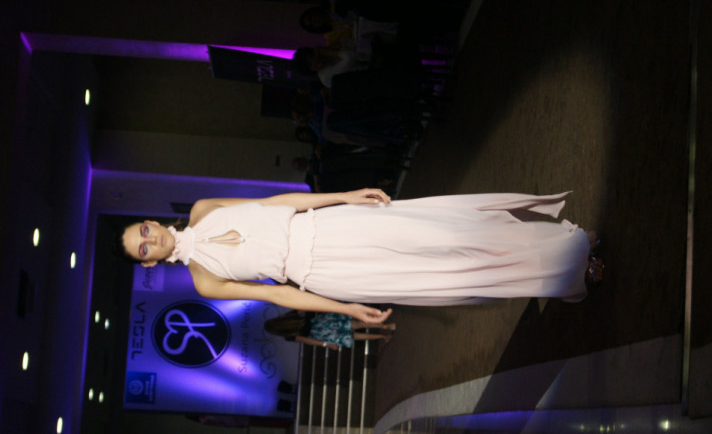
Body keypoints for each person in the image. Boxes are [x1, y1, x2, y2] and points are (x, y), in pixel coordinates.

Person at [121, 189, 602, 324]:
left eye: (144, 231)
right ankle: (560, 271)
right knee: (445, 271)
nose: (150, 240)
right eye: (143, 248)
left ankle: (556, 245)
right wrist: (347, 309)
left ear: (151, 223)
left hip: (332, 224)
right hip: (326, 271)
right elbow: (282, 298)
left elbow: (277, 203)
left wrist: (345, 195)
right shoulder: (204, 281)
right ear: (148, 262)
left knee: (446, 231)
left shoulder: (203, 208)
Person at [265, 310, 394, 350]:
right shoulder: (290, 316)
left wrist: (326, 344)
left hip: (321, 334)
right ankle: (384, 326)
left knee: (355, 336)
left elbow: (308, 341)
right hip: (323, 321)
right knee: (357, 324)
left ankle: (383, 337)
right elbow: (306, 308)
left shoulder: (288, 335)